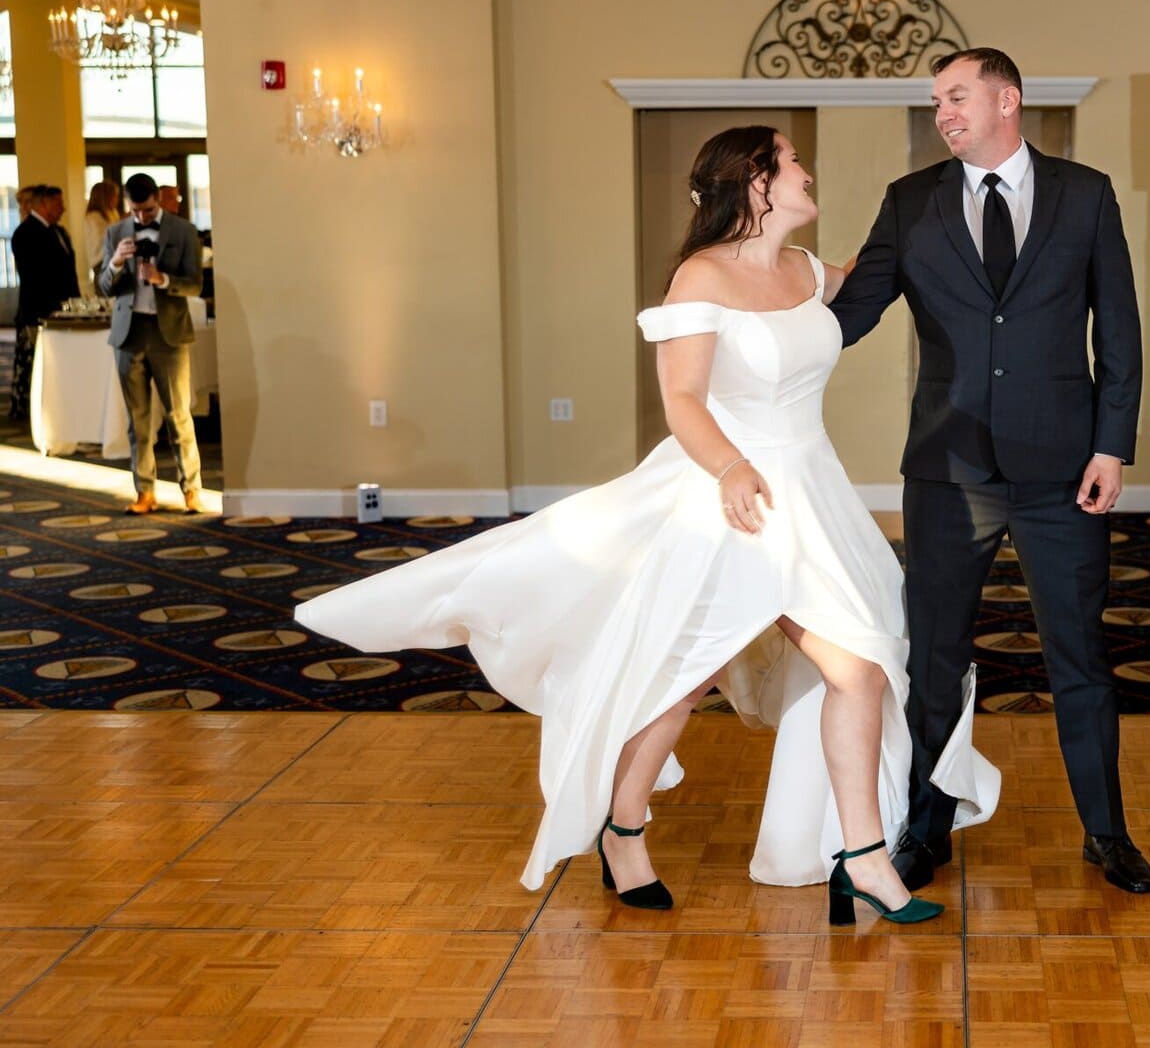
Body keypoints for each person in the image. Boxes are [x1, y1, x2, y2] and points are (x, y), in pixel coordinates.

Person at [295, 126, 996, 919]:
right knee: (682, 681)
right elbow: (684, 400)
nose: (807, 170)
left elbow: (892, 275)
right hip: (731, 499)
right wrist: (731, 467)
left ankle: (862, 857)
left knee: (862, 670)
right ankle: (623, 829)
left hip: (814, 496)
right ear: (757, 183)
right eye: (792, 161)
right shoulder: (700, 278)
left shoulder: (806, 271)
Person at [831, 47, 1150, 895]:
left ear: (1007, 100)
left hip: (1064, 472)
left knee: (1078, 652)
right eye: (936, 100)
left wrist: (1111, 445)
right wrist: (760, 287)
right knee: (933, 658)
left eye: (957, 96)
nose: (942, 112)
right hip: (948, 469)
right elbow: (853, 313)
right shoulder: (911, 204)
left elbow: (1118, 330)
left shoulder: (1086, 195)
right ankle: (923, 831)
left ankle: (1107, 833)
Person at [95, 173, 205, 514]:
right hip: (129, 334)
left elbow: (196, 285)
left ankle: (192, 490)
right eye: (136, 211)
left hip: (168, 332)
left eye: (148, 210)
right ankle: (144, 491)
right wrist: (115, 263)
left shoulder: (183, 230)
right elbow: (102, 287)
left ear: (158, 200)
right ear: (128, 205)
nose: (142, 217)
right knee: (137, 419)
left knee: (178, 415)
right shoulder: (115, 232)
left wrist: (164, 279)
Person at [9, 185, 82, 420]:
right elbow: (34, 277)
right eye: (58, 203)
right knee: (34, 361)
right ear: (44, 204)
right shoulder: (25, 233)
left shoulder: (59, 231)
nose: (63, 208)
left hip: (63, 308)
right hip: (38, 311)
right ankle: (31, 411)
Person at [80, 180, 125, 299]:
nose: (117, 199)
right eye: (115, 196)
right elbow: (107, 238)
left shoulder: (112, 213)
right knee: (106, 298)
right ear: (106, 197)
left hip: (115, 261)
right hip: (102, 263)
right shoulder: (94, 217)